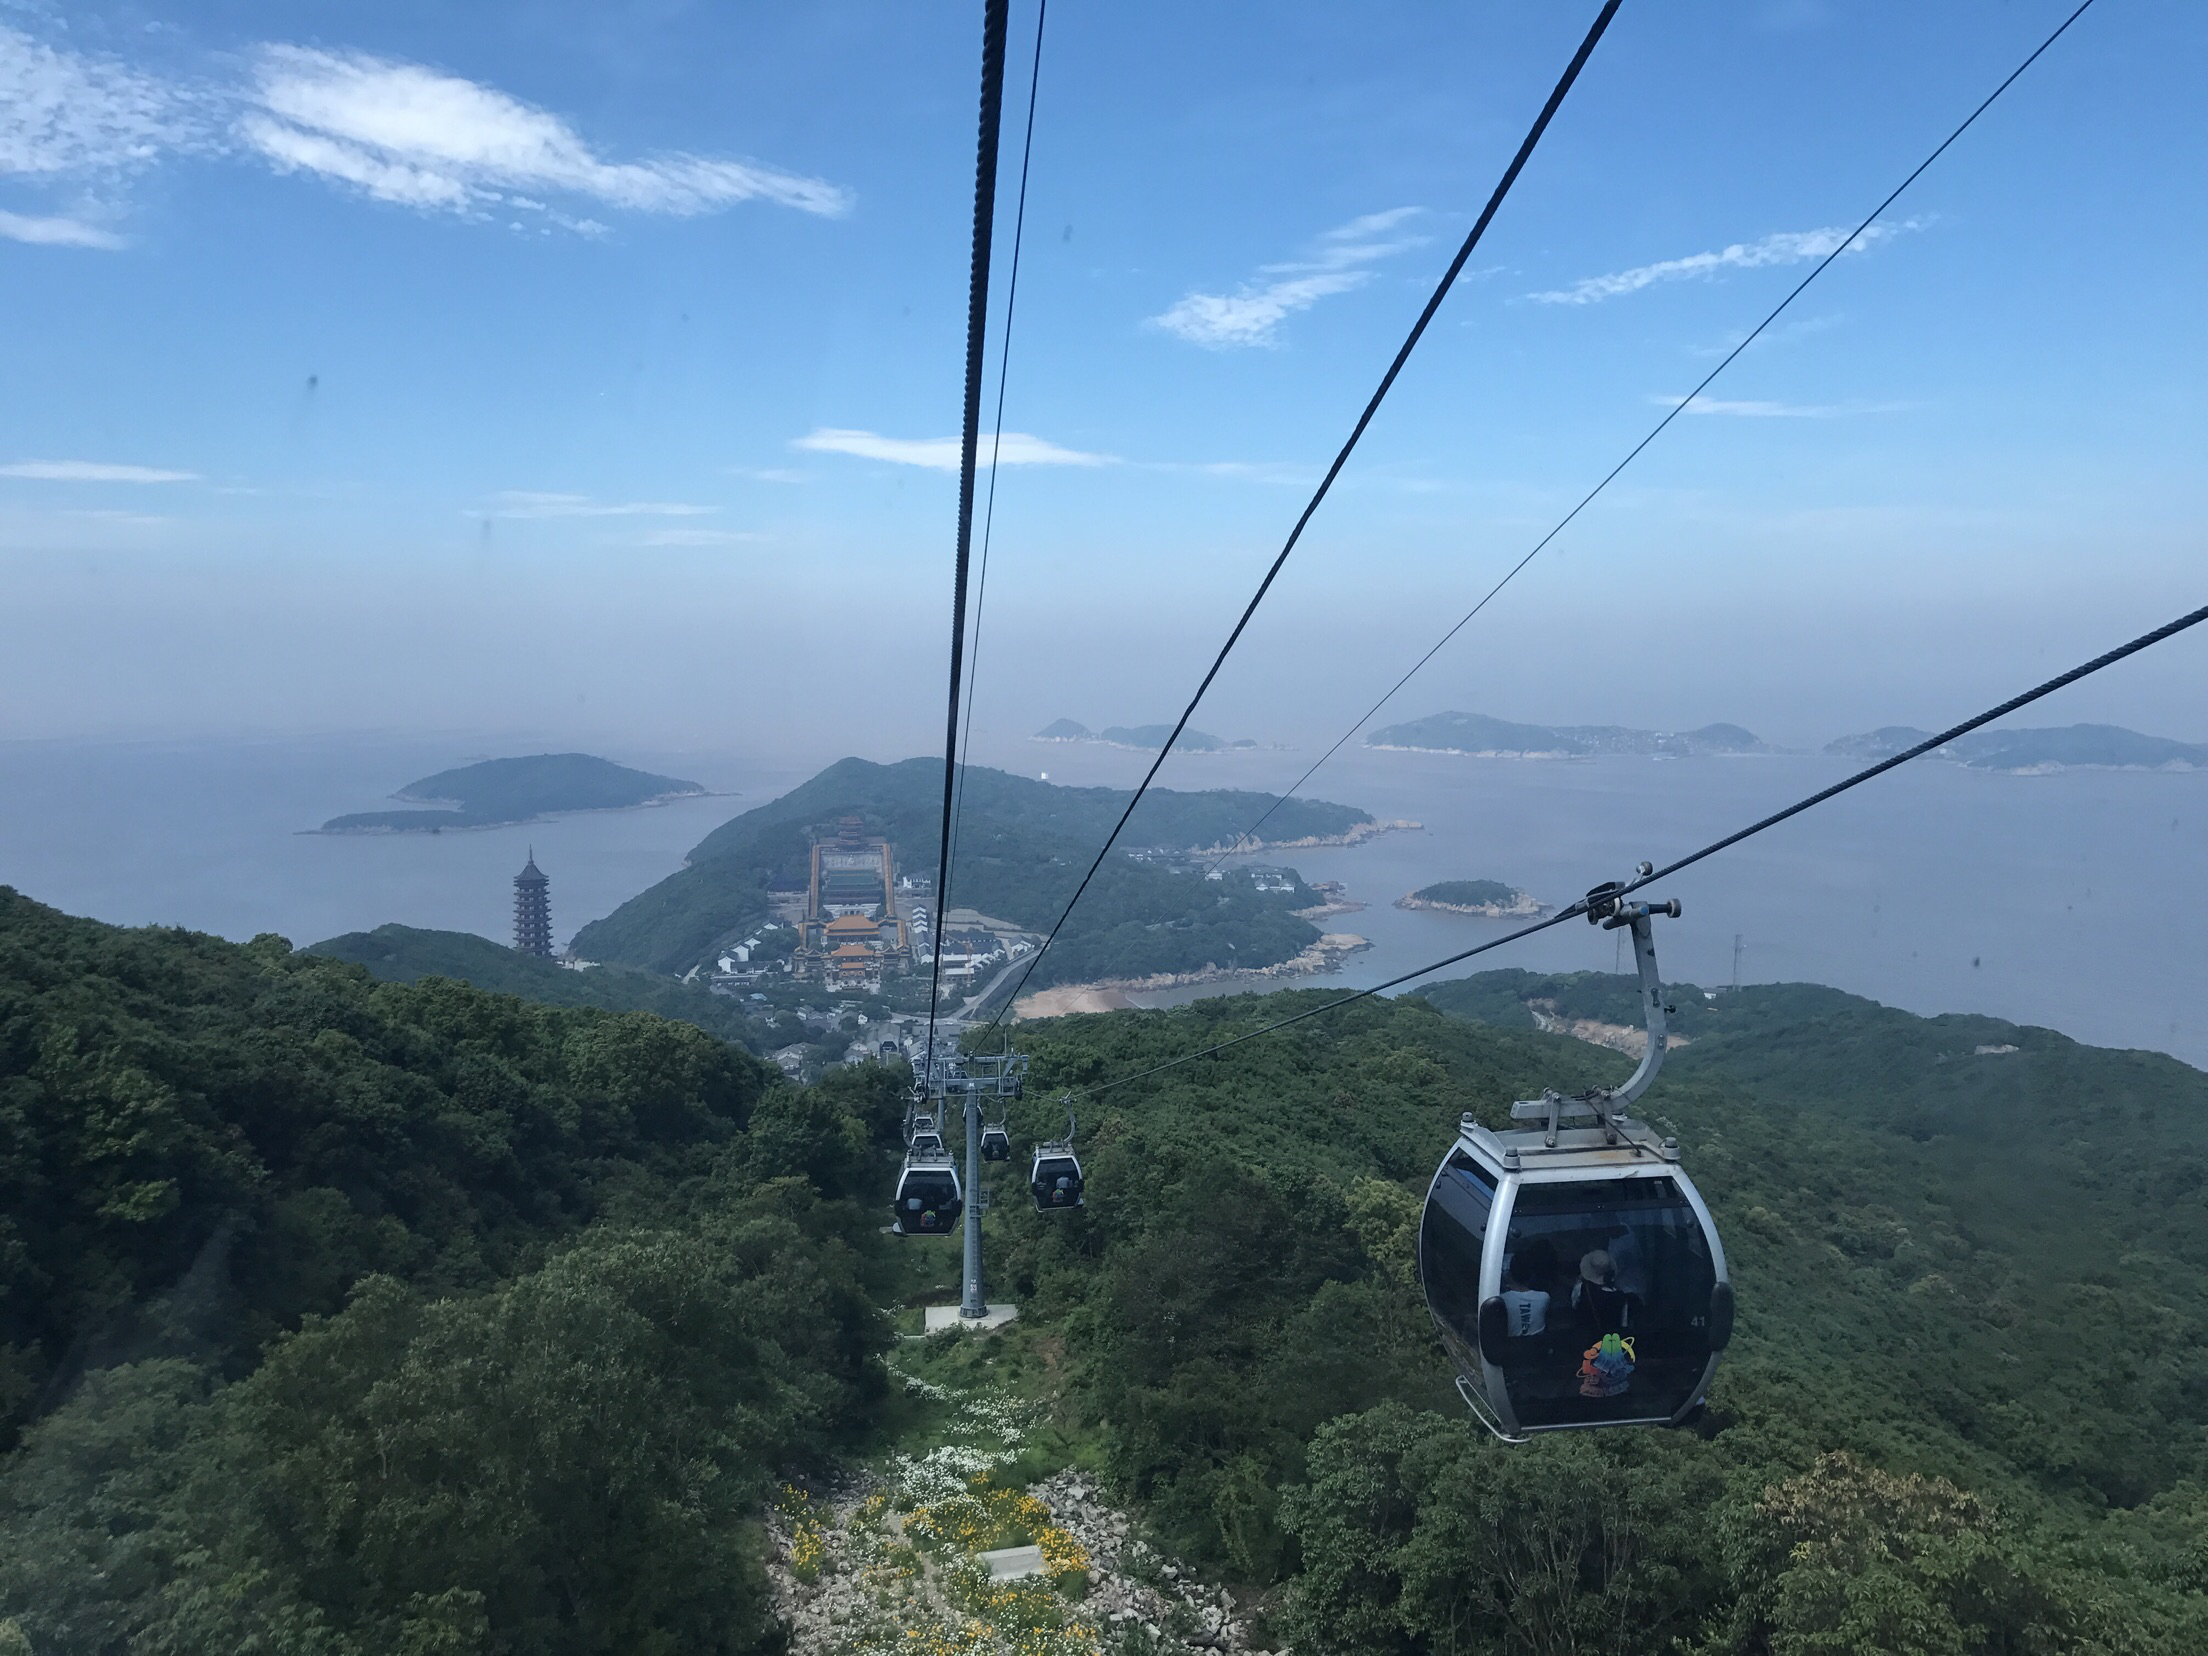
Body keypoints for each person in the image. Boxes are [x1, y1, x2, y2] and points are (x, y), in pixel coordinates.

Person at [1573, 1249, 1641, 1335]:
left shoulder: (1581, 1288)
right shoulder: (1621, 1296)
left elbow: (1575, 1305)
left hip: (1588, 1339)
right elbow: (1624, 1324)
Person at [1500, 1251, 1551, 1336]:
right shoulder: (1544, 1298)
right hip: (1537, 1347)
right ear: (1531, 1275)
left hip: (1512, 1348)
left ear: (1509, 1274)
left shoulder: (1502, 1300)